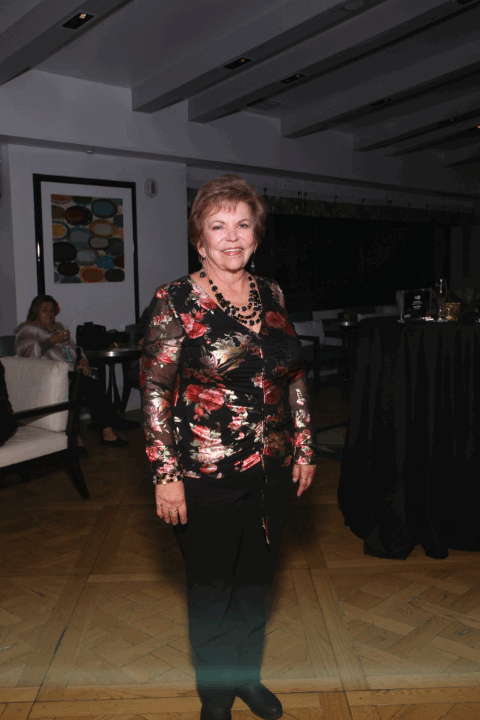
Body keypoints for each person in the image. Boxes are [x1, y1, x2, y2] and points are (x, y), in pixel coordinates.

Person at [141, 175, 316, 720]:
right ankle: (215, 701)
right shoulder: (174, 300)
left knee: (255, 585)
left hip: (272, 469)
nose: (232, 237)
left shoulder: (274, 294)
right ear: (200, 239)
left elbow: (293, 374)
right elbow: (154, 390)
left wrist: (305, 446)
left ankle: (246, 678)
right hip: (205, 475)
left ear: (256, 236)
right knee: (212, 593)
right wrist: (165, 475)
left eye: (243, 225)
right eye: (218, 227)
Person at [15, 295, 139, 453]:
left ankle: (107, 433)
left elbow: (74, 349)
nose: (49, 314)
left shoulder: (58, 327)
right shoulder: (27, 330)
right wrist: (52, 341)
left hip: (71, 373)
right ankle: (76, 439)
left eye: (52, 310)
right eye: (44, 310)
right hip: (48, 379)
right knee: (74, 391)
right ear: (35, 311)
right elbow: (28, 354)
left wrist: (83, 361)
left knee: (94, 386)